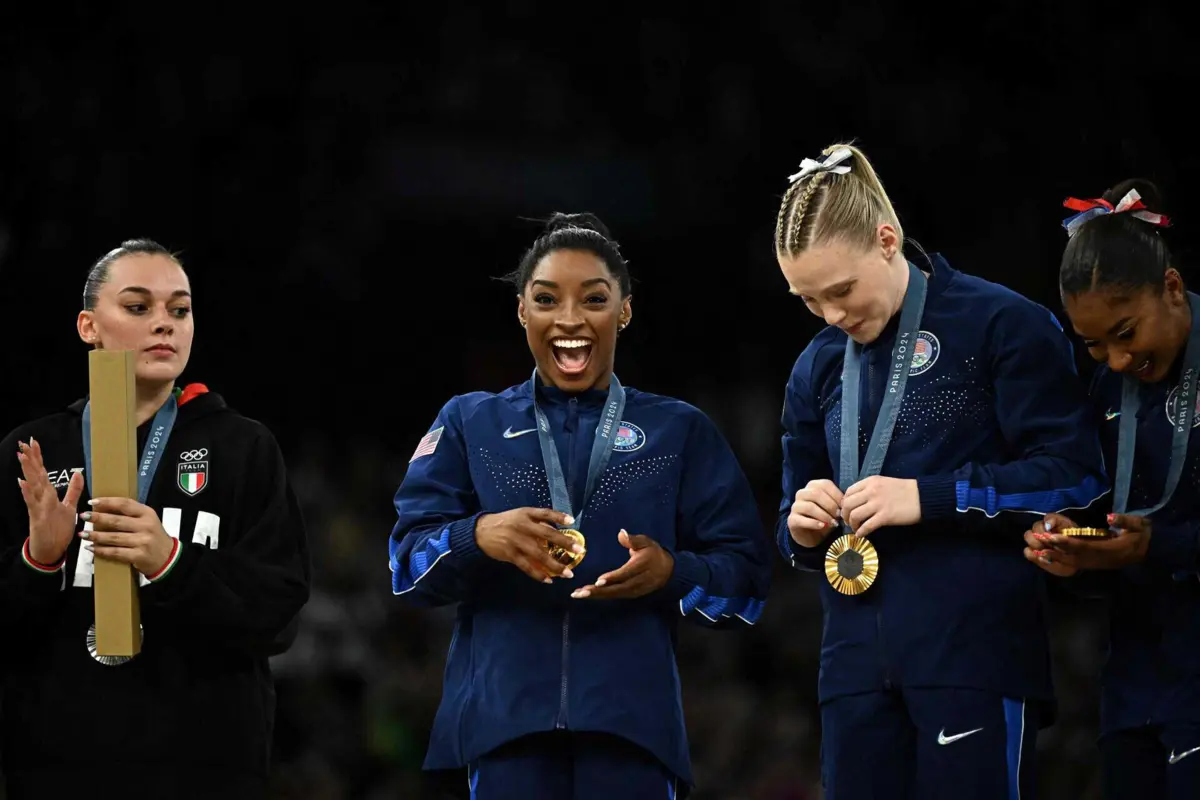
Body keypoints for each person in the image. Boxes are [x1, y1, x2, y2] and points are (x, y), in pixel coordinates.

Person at [388, 212, 771, 800]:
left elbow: (745, 583)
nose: (569, 320)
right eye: (546, 299)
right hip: (503, 732)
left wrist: (674, 573)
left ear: (625, 309)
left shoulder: (678, 431)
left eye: (594, 299)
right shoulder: (470, 423)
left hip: (633, 735)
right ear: (522, 311)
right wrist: (478, 536)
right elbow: (406, 568)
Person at [772, 144, 1108, 799]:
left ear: (887, 240)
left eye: (841, 290)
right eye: (809, 301)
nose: (832, 315)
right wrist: (801, 525)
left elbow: (1076, 479)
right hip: (854, 668)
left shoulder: (1002, 325)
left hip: (974, 654)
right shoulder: (816, 366)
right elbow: (790, 516)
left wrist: (930, 497)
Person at [0, 239, 312, 799]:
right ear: (88, 326)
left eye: (180, 309)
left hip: (203, 768)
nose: (164, 324)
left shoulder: (244, 447)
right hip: (54, 765)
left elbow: (276, 619)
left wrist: (169, 561)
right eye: (139, 307)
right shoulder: (32, 452)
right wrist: (38, 558)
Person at [1023, 180, 1200, 800]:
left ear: (1172, 288)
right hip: (1135, 676)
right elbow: (1110, 506)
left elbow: (1157, 536)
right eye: (1095, 344)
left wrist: (1163, 546)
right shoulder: (1105, 392)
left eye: (1126, 333)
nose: (1117, 360)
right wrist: (1075, 540)